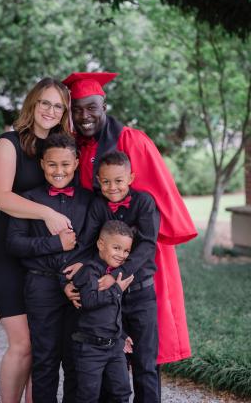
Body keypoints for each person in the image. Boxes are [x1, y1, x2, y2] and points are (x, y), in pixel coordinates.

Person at [62, 71, 198, 370]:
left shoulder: (130, 141)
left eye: (91, 107)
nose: (84, 116)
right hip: (98, 253)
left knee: (145, 342)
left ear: (104, 106)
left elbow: (156, 195)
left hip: (139, 252)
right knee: (104, 338)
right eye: (77, 109)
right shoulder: (75, 148)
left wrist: (127, 252)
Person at [0, 77, 72, 403]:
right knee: (22, 345)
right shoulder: (9, 143)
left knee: (44, 347)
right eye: (45, 102)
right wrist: (46, 214)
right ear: (33, 104)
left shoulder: (59, 149)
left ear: (64, 112)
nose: (50, 110)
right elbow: (0, 196)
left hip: (44, 259)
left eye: (58, 106)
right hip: (6, 257)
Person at [7, 133, 94, 403]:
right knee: (45, 360)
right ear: (43, 164)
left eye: (66, 165)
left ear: (77, 163)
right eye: (52, 164)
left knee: (75, 359)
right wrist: (55, 243)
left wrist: (80, 273)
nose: (59, 171)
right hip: (41, 287)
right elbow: (15, 244)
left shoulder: (90, 200)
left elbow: (92, 244)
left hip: (77, 287)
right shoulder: (28, 199)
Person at [71, 149, 160, 402]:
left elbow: (146, 246)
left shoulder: (144, 203)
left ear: (131, 178)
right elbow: (87, 244)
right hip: (106, 299)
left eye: (119, 180)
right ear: (98, 180)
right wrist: (70, 282)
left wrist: (117, 275)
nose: (112, 187)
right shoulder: (98, 205)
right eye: (106, 181)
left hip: (141, 293)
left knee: (145, 362)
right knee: (109, 361)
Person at [72, 220, 134, 403]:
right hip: (91, 348)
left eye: (126, 251)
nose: (121, 255)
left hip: (114, 347)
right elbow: (88, 301)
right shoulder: (89, 271)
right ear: (101, 244)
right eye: (116, 248)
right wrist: (116, 290)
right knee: (88, 396)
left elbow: (111, 313)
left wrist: (121, 335)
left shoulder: (115, 274)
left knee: (121, 392)